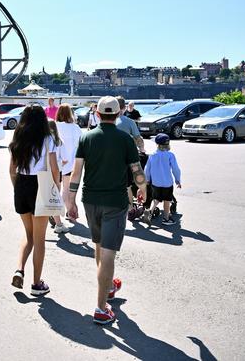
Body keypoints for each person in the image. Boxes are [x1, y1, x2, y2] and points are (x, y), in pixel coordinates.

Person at [64, 96, 147, 326]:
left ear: (98, 114)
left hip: (90, 200)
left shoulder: (86, 137)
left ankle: (109, 286)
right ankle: (101, 308)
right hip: (115, 202)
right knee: (108, 253)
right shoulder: (125, 139)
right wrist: (143, 189)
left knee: (99, 246)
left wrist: (70, 201)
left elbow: (76, 173)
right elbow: (136, 170)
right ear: (119, 114)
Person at [8, 105, 60, 297]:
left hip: (22, 184)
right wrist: (56, 188)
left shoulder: (18, 138)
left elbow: (11, 170)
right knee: (39, 239)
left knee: (28, 235)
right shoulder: (47, 139)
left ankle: (19, 269)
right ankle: (36, 284)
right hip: (41, 184)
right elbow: (54, 168)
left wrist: (17, 188)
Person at [53, 104, 82, 234]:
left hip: (56, 163)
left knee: (55, 190)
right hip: (72, 164)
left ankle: (57, 214)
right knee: (67, 189)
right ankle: (70, 212)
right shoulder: (76, 128)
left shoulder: (54, 126)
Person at [144, 133, 182, 225]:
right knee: (167, 200)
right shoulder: (170, 155)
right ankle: (166, 219)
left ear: (157, 144)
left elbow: (147, 169)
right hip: (167, 183)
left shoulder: (152, 155)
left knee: (156, 198)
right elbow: (175, 169)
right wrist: (177, 180)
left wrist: (147, 179)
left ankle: (150, 211)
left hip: (155, 183)